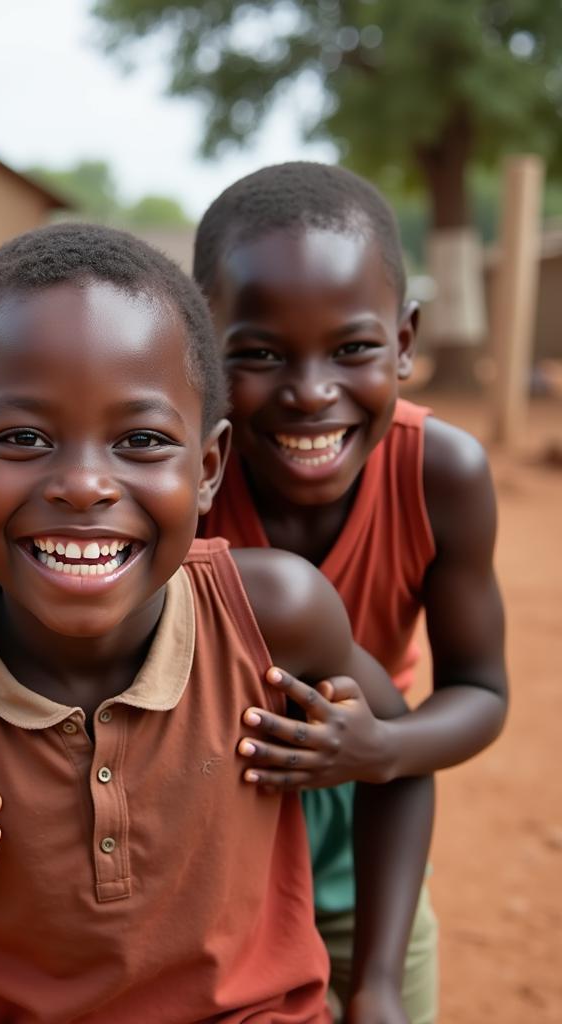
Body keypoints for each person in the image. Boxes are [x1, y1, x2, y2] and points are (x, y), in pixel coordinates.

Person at [0, 223, 434, 1024]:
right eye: (23, 438)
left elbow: (398, 763)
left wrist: (380, 987)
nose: (83, 484)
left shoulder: (271, 619)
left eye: (142, 440)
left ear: (209, 468)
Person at [192, 162, 508, 1023]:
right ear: (197, 350)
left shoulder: (439, 474)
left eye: (354, 348)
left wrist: (378, 750)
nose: (310, 392)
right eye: (257, 354)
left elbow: (479, 693)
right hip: (212, 827)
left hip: (372, 811)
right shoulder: (178, 479)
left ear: (405, 341)